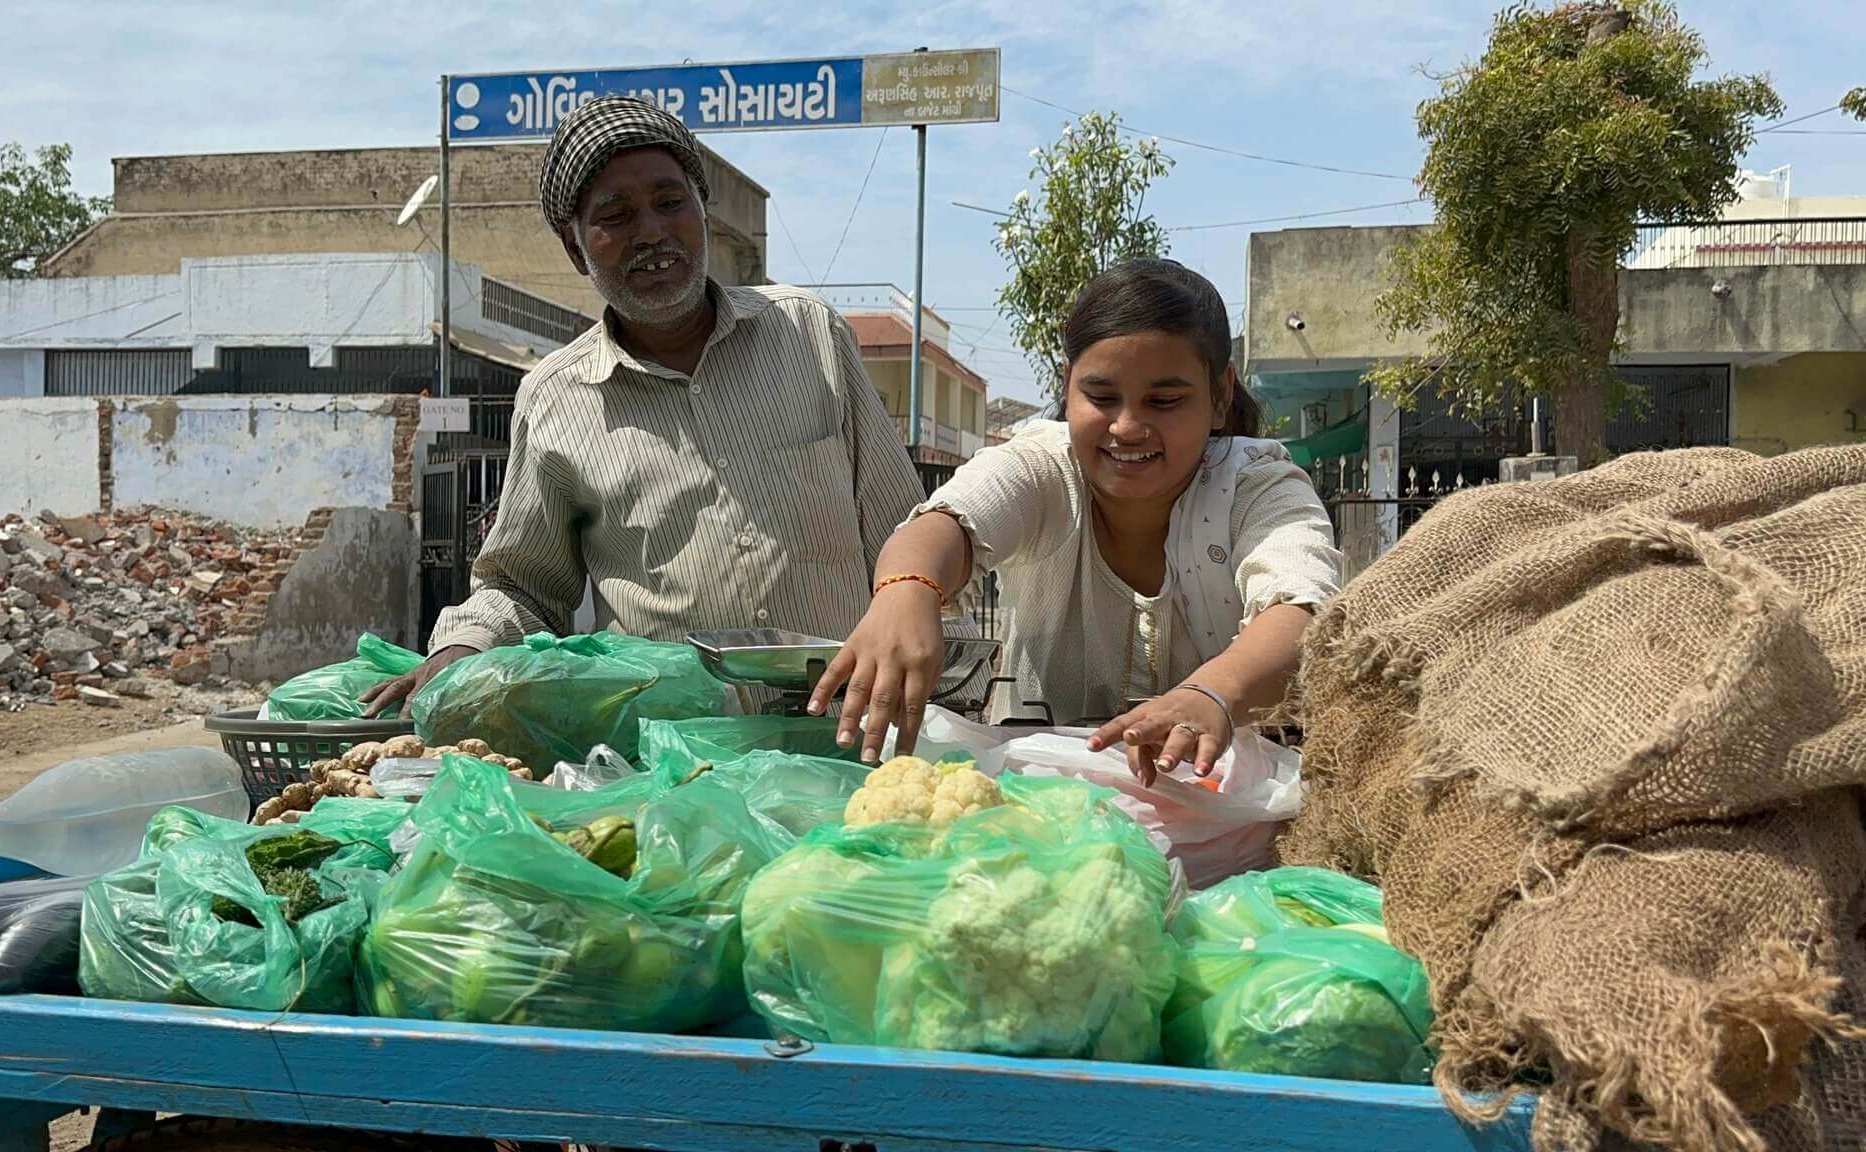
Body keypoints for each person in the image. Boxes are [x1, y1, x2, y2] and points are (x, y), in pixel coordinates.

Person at [365, 97, 923, 715]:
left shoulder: (809, 334)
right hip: (675, 757)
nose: (652, 232)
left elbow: (904, 532)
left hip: (848, 733)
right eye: (616, 215)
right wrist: (463, 648)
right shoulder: (556, 399)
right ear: (577, 250)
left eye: (669, 202)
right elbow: (522, 583)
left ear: (702, 211)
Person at [810, 258, 1342, 783]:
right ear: (1067, 387)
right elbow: (945, 523)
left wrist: (1211, 694)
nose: (1128, 427)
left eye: (1165, 400)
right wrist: (907, 590)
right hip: (1037, 819)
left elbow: (1302, 612)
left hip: (1224, 822)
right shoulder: (1042, 467)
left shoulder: (1259, 486)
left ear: (1220, 395)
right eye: (1102, 397)